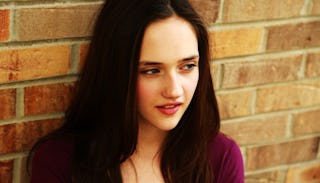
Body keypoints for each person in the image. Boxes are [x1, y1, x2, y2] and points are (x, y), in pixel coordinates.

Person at [29, 0, 244, 182]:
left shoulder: (220, 158)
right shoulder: (59, 161)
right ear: (116, 72)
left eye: (187, 66)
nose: (174, 90)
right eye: (151, 70)